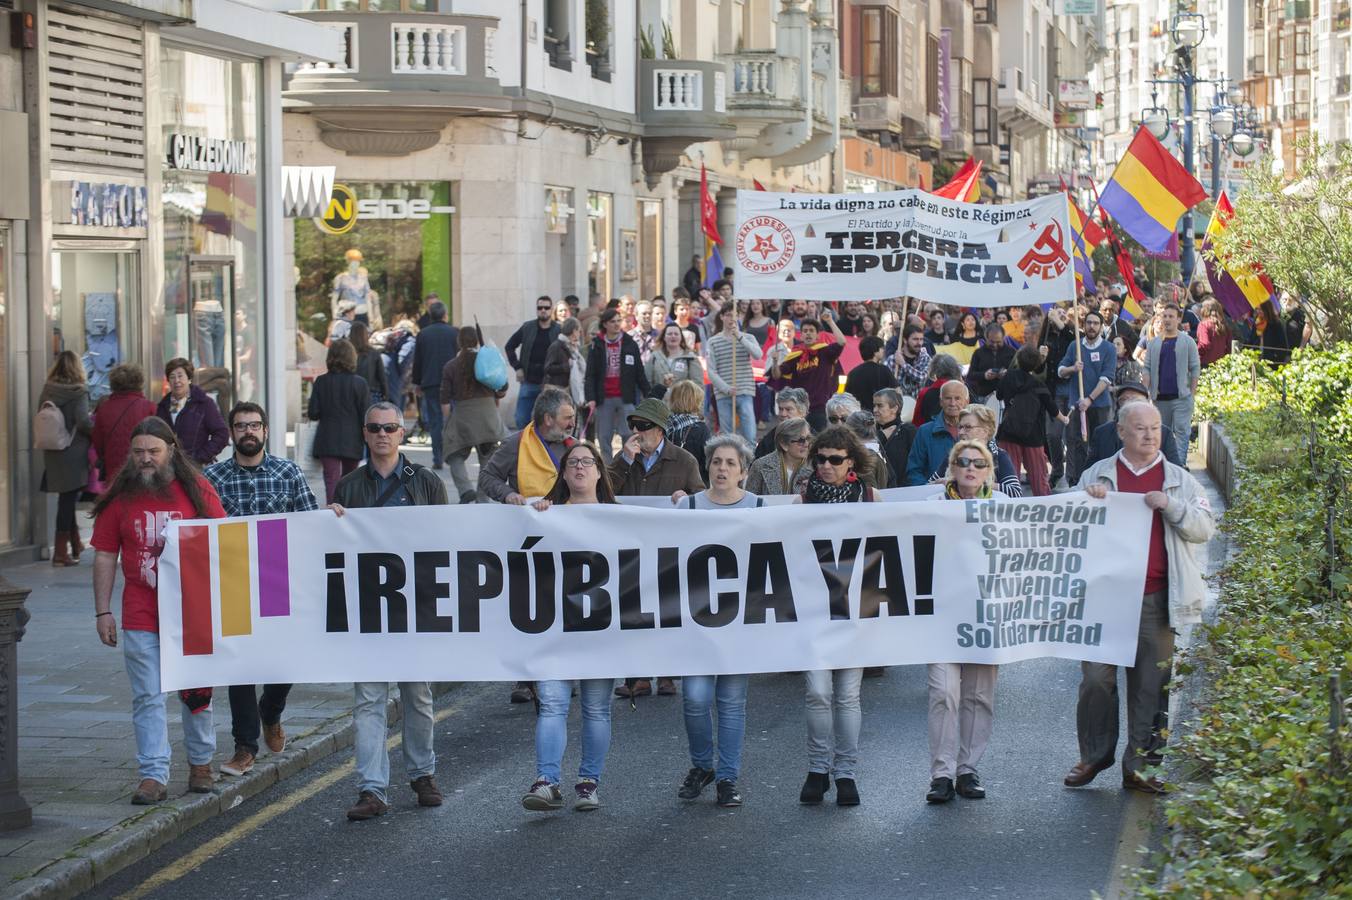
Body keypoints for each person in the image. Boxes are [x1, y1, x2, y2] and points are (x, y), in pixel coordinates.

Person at [1065, 403, 1214, 795]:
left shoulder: (1179, 480)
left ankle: (1142, 766)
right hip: (1104, 598)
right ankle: (1095, 755)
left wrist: (1172, 506)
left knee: (1152, 682)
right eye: (1140, 429)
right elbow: (1064, 525)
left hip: (1156, 597)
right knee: (1096, 680)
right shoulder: (1097, 475)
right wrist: (1086, 500)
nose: (1150, 436)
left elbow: (1204, 528)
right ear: (1120, 432)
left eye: (1155, 429)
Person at [91, 416, 226, 804]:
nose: (145, 459)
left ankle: (201, 764)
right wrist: (103, 611)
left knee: (196, 693)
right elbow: (103, 555)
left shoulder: (198, 489)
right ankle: (153, 775)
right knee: (147, 696)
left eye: (153, 451)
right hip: (141, 613)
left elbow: (225, 542)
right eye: (138, 453)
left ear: (171, 451)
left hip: (192, 614)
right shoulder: (121, 497)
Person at [329, 401, 448, 820]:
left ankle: (422, 774)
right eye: (375, 427)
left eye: (390, 427)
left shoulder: (428, 483)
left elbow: (448, 543)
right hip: (367, 609)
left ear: (402, 433)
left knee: (418, 696)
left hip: (415, 607)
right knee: (368, 699)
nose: (382, 434)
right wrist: (330, 523)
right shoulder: (348, 487)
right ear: (364, 434)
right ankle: (372, 789)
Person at [205, 403, 319, 778]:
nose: (248, 432)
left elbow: (310, 524)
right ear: (232, 433)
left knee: (284, 661)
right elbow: (198, 529)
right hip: (234, 582)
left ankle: (271, 711)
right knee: (240, 665)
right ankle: (244, 747)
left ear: (266, 431)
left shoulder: (287, 472)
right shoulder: (214, 477)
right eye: (241, 426)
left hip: (279, 581)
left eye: (254, 425)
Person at [517, 441, 620, 813]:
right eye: (572, 462)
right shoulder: (547, 514)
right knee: (553, 704)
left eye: (586, 462)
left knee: (595, 708)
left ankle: (588, 783)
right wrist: (535, 516)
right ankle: (546, 781)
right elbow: (519, 557)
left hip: (601, 629)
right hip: (555, 628)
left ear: (598, 471)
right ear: (563, 472)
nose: (579, 468)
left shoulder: (619, 516)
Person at [668, 435, 761, 807]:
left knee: (732, 702)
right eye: (716, 461)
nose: (722, 468)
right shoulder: (688, 507)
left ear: (743, 471)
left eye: (730, 463)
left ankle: (727, 778)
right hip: (696, 625)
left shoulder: (759, 507)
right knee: (695, 698)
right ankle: (703, 765)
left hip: (740, 623)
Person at [798, 425, 878, 808]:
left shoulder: (869, 496)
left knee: (847, 695)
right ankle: (817, 769)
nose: (826, 466)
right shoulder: (802, 498)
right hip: (813, 608)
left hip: (855, 608)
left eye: (835, 460)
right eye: (820, 459)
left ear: (851, 463)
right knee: (817, 692)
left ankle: (845, 772)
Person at [925, 439, 1005, 804]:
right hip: (942, 615)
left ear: (989, 471)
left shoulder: (1003, 507)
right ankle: (940, 774)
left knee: (978, 695)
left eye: (978, 463)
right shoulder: (933, 507)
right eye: (963, 461)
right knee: (944, 693)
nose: (971, 468)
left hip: (986, 615)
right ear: (952, 469)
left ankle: (968, 769)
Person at [440, 327, 508, 504]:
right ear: (477, 341)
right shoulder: (486, 361)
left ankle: (465, 490)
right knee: (487, 459)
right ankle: (482, 498)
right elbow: (502, 389)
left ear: (459, 342)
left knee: (453, 454)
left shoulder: (451, 366)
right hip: (489, 417)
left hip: (463, 417)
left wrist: (448, 423)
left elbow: (445, 401)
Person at [478, 386, 576, 506]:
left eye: (573, 417)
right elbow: (487, 476)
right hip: (527, 519)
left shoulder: (575, 447)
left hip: (568, 519)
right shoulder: (515, 444)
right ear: (548, 419)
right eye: (567, 418)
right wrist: (508, 494)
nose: (573, 424)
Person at [39, 351, 94, 566]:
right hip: (72, 451)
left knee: (67, 497)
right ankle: (60, 553)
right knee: (67, 500)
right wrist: (96, 430)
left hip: (52, 449)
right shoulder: (79, 391)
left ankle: (75, 542)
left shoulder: (47, 390)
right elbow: (82, 421)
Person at [996, 346, 1068, 496]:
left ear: (1018, 360)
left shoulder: (1008, 377)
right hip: (1033, 435)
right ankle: (1042, 509)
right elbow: (1053, 410)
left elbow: (999, 395)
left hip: (1009, 431)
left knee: (1010, 475)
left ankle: (1008, 508)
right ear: (1036, 364)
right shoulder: (1039, 385)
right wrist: (1064, 419)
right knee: (1039, 476)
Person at [307, 340, 372, 505]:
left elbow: (313, 413)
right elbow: (366, 415)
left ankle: (332, 514)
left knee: (331, 480)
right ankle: (347, 514)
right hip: (353, 439)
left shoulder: (321, 382)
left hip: (327, 438)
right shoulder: (360, 383)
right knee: (350, 481)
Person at [1057, 311, 1117, 486]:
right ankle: (1075, 481)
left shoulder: (1108, 348)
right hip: (1076, 404)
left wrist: (1089, 399)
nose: (1092, 326)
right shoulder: (1074, 346)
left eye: (1096, 323)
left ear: (1100, 326)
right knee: (1076, 443)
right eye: (1089, 323)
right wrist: (1072, 369)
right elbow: (1060, 370)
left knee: (1101, 443)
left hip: (1100, 405)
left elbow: (1106, 378)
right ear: (1084, 325)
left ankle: (1101, 480)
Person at [585, 308, 651, 459]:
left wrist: (648, 393)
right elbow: (590, 375)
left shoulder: (629, 343)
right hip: (604, 398)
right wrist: (591, 398)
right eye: (612, 321)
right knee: (604, 436)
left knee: (628, 434)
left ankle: (627, 465)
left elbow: (639, 372)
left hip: (625, 396)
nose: (616, 324)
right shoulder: (597, 345)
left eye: (618, 321)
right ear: (605, 324)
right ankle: (608, 470)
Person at [1143, 303, 1201, 460]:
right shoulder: (1154, 343)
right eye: (1165, 316)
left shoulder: (1187, 342)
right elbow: (1147, 367)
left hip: (1182, 397)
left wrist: (1192, 394)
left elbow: (1195, 367)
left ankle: (1179, 465)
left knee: (1182, 431)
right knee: (1162, 433)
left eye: (1171, 316)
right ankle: (1165, 464)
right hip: (1159, 399)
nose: (1167, 319)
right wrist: (1145, 391)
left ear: (1178, 319)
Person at [770, 312, 846, 430]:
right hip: (798, 408)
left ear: (817, 335)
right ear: (801, 335)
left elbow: (842, 342)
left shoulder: (825, 351)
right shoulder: (795, 354)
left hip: (820, 407)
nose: (808, 333)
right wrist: (775, 362)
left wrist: (830, 321)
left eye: (811, 330)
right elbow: (776, 375)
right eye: (805, 331)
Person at [91, 363, 157, 499]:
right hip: (142, 467)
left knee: (117, 506)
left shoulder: (104, 408)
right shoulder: (149, 407)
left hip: (113, 469)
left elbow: (97, 441)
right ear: (139, 382)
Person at [1086, 382, 1183, 468]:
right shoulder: (1102, 432)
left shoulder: (1164, 433)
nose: (1129, 403)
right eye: (1124, 399)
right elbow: (1089, 472)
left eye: (1135, 399)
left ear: (1147, 402)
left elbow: (1177, 471)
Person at [705, 302, 763, 444]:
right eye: (728, 315)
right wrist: (725, 387)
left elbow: (758, 354)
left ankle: (749, 464)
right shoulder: (713, 341)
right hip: (723, 393)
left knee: (750, 435)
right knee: (728, 437)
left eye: (735, 315)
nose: (732, 318)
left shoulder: (748, 337)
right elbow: (711, 370)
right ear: (722, 317)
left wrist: (739, 337)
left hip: (744, 390)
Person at [410, 300, 458, 468]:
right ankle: (452, 456)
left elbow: (418, 361)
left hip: (430, 383)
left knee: (436, 422)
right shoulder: (454, 332)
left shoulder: (423, 334)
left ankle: (437, 458)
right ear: (445, 315)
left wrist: (416, 383)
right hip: (451, 384)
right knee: (451, 420)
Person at [156, 358, 229, 467]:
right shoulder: (163, 407)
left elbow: (222, 434)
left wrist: (201, 456)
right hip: (168, 469)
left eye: (180, 376)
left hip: (194, 469)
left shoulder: (204, 403)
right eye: (172, 377)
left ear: (189, 378)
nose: (176, 381)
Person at [906, 380, 969, 486]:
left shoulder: (977, 430)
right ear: (940, 401)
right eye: (948, 398)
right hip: (933, 497)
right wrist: (928, 490)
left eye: (957, 398)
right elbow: (914, 471)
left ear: (967, 402)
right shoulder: (925, 431)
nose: (952, 403)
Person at [953, 405, 1023, 496]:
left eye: (968, 427)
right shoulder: (954, 455)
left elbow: (1015, 493)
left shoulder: (999, 456)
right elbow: (931, 486)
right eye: (960, 427)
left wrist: (975, 485)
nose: (961, 432)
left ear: (985, 431)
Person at [745, 416, 811, 496]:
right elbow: (750, 500)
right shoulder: (760, 466)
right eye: (801, 440)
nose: (806, 444)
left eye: (808, 438)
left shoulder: (815, 467)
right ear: (784, 444)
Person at [665, 379, 712, 482]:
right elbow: (708, 463)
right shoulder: (701, 429)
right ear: (695, 402)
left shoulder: (664, 426)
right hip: (694, 484)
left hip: (666, 484)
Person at [645, 323, 702, 399]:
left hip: (682, 406)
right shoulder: (654, 357)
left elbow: (698, 386)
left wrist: (697, 409)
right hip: (659, 406)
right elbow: (648, 383)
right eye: (669, 334)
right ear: (664, 337)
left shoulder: (690, 358)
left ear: (681, 337)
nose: (673, 336)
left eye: (676, 334)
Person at [872, 387, 916, 487]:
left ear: (894, 408)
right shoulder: (870, 431)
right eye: (874, 405)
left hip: (903, 491)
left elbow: (915, 464)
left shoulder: (908, 431)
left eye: (880, 406)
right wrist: (881, 436)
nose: (875, 410)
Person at [844, 335, 898, 413]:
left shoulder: (852, 373)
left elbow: (847, 397)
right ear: (875, 352)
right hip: (880, 415)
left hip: (858, 417)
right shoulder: (884, 370)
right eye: (882, 348)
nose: (884, 350)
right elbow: (896, 392)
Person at [967, 322, 1016, 407]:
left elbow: (1018, 372)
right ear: (986, 338)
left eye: (998, 342)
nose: (995, 345)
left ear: (1003, 338)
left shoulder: (1011, 352)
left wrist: (1007, 374)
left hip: (1006, 395)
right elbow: (970, 375)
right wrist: (984, 375)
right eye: (992, 342)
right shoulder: (978, 353)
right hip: (984, 395)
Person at [543, 317, 587, 410]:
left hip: (567, 390)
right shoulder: (557, 346)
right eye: (579, 331)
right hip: (556, 390)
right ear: (574, 331)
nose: (579, 334)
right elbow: (548, 368)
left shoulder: (573, 348)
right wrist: (567, 366)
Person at [754, 386, 810, 459]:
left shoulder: (812, 439)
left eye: (788, 409)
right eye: (780, 409)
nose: (783, 414)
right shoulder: (770, 439)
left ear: (802, 412)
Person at [911, 354, 964, 426]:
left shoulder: (925, 393)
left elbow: (917, 422)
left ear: (935, 371)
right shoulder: (964, 391)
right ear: (956, 369)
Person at [349, 321, 389, 403]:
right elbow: (382, 377)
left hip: (351, 395)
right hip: (371, 394)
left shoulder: (346, 353)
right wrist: (385, 394)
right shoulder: (374, 353)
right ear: (365, 335)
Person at [889, 324, 932, 398]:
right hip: (897, 404)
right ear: (905, 340)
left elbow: (921, 377)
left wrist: (903, 364)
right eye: (915, 339)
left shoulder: (925, 358)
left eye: (921, 339)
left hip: (917, 403)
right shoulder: (893, 359)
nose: (919, 343)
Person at [1195, 298, 1232, 368]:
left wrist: (1194, 354)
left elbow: (1204, 344)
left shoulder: (1203, 325)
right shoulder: (1225, 326)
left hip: (1205, 364)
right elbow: (1229, 347)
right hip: (1221, 365)